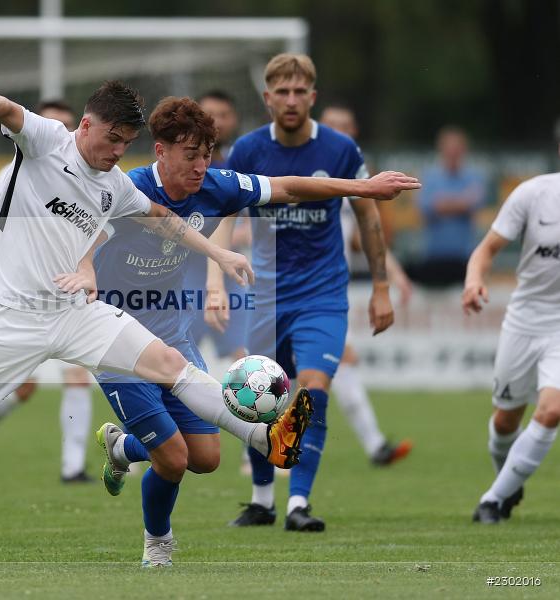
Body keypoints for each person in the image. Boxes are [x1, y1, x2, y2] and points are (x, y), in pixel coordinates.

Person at [0, 81, 314, 565]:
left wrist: (216, 250)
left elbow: (163, 217)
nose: (116, 152)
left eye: (125, 143)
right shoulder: (48, 141)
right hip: (11, 322)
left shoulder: (115, 185)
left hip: (75, 312)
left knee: (168, 361)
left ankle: (264, 437)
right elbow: (9, 110)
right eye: (111, 139)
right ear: (85, 125)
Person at [89, 97, 419, 566]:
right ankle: (157, 543)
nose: (202, 166)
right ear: (160, 151)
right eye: (190, 156)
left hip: (172, 336)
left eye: (207, 154)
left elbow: (287, 187)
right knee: (174, 459)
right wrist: (80, 274)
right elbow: (79, 231)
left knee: (205, 457)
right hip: (115, 340)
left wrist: (364, 187)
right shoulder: (127, 189)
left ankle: (122, 447)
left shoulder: (216, 185)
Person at [221, 54, 398, 532]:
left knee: (313, 391)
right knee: (256, 396)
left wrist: (381, 286)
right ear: (268, 99)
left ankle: (298, 502)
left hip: (322, 294)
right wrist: (216, 279)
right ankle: (262, 499)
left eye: (301, 92)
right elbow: (225, 215)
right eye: (283, 92)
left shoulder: (340, 149)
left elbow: (367, 215)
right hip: (264, 295)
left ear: (313, 97)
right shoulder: (247, 150)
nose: (292, 100)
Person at [0, 99, 97, 484]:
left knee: (77, 376)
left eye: (67, 125)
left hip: (66, 290)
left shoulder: (89, 176)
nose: (59, 132)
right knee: (18, 389)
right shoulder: (16, 169)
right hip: (18, 296)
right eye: (51, 123)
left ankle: (73, 467)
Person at [466, 125, 560, 524]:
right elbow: (486, 250)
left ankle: (491, 500)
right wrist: (474, 280)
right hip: (525, 319)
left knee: (552, 410)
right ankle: (507, 482)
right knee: (506, 420)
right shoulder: (532, 194)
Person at [320, 105, 414, 467]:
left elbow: (365, 238)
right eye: (331, 126)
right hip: (289, 290)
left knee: (337, 364)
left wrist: (395, 277)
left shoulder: (354, 183)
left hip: (325, 291)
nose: (339, 132)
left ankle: (375, 447)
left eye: (344, 126)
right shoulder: (301, 173)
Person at [185, 91, 251, 365]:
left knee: (245, 360)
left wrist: (241, 234)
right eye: (210, 115)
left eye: (223, 115)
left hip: (229, 275)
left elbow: (252, 220)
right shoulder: (181, 166)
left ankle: (252, 406)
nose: (217, 122)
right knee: (179, 357)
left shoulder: (239, 168)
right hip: (185, 274)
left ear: (234, 120)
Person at [410, 126, 488, 287]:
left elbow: (474, 201)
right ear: (441, 149)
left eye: (457, 148)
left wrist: (444, 202)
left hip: (464, 256)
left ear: (464, 150)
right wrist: (461, 202)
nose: (453, 152)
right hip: (433, 255)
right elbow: (428, 206)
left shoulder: (474, 176)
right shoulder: (429, 176)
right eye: (449, 148)